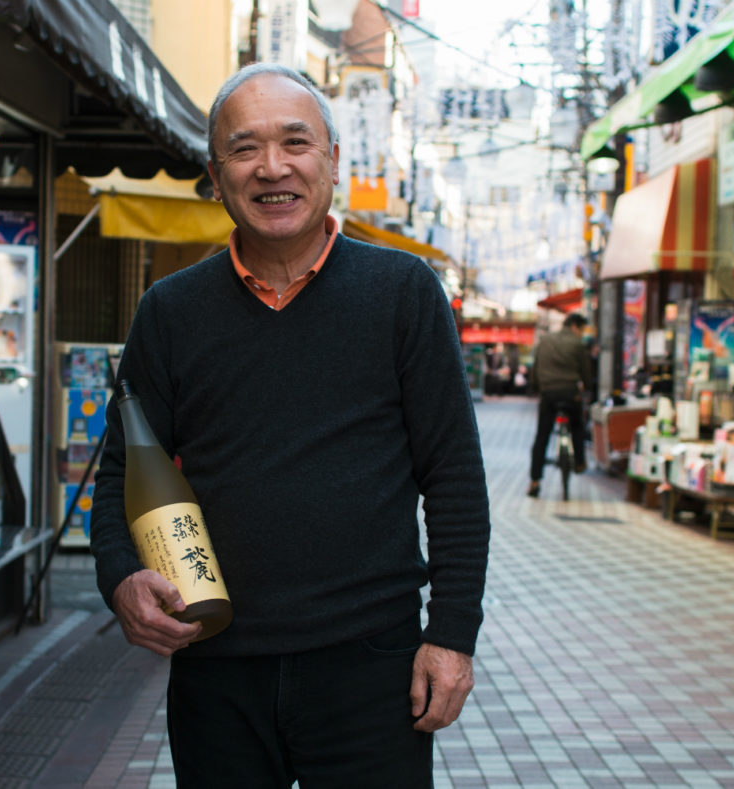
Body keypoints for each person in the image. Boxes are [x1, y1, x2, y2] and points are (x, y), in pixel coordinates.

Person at [89, 62, 491, 788]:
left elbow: (454, 476)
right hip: (216, 663)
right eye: (244, 149)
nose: (272, 168)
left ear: (333, 161)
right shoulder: (170, 312)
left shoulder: (404, 294)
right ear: (216, 176)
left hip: (372, 665)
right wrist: (119, 576)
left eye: (295, 143)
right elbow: (120, 469)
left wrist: (452, 634)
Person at [528, 312, 591, 497]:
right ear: (575, 327)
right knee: (577, 426)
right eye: (582, 330)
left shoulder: (545, 340)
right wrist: (587, 389)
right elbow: (586, 372)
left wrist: (538, 389)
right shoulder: (578, 344)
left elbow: (536, 368)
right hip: (570, 393)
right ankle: (579, 462)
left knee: (542, 436)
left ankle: (534, 481)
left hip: (548, 394)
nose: (581, 334)